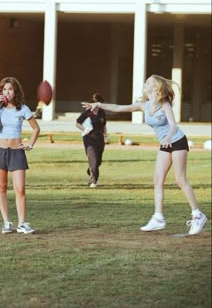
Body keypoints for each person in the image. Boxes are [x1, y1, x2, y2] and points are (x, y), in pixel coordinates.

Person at [81, 75, 207, 235]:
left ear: (155, 87)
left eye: (148, 82)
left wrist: (168, 136)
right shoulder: (143, 105)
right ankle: (158, 218)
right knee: (157, 180)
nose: (144, 83)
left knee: (180, 179)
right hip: (164, 144)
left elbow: (173, 124)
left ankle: (198, 215)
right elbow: (119, 108)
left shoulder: (164, 103)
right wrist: (98, 104)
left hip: (177, 141)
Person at [0, 77, 40, 234]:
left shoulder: (23, 109)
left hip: (16, 152)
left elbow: (36, 129)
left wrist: (30, 144)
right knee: (1, 187)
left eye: (10, 89)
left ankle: (22, 223)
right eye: (4, 89)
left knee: (20, 188)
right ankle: (6, 222)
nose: (7, 92)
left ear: (15, 91)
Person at [76, 93, 108, 188]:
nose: (97, 107)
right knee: (93, 158)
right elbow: (77, 123)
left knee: (98, 161)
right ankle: (93, 181)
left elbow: (104, 125)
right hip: (89, 138)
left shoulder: (102, 112)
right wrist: (84, 129)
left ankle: (90, 169)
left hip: (100, 138)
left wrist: (106, 136)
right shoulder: (87, 113)